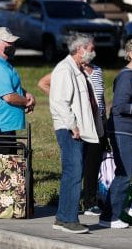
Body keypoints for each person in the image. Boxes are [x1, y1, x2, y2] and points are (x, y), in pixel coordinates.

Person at [37, 57, 107, 216]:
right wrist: (58, 96)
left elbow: (100, 99)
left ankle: (91, 201)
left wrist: (104, 121)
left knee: (93, 164)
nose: (92, 52)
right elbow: (42, 83)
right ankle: (73, 205)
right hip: (80, 122)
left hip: (98, 123)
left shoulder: (97, 70)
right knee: (77, 165)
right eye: (89, 47)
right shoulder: (70, 70)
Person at [49, 33, 102, 234]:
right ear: (80, 49)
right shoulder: (65, 70)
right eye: (91, 48)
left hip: (77, 129)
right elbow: (60, 102)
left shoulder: (77, 70)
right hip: (69, 129)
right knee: (74, 171)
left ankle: (63, 217)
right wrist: (73, 126)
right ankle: (68, 219)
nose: (93, 52)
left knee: (74, 171)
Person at [99, 35, 132, 229]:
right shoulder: (126, 76)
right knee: (124, 174)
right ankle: (109, 217)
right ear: (131, 54)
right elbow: (120, 107)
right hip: (122, 131)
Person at [0, 27, 35, 153]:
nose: (12, 45)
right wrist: (27, 102)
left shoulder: (2, 63)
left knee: (7, 169)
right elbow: (8, 96)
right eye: (8, 42)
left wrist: (25, 93)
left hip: (3, 126)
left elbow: (7, 86)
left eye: (12, 42)